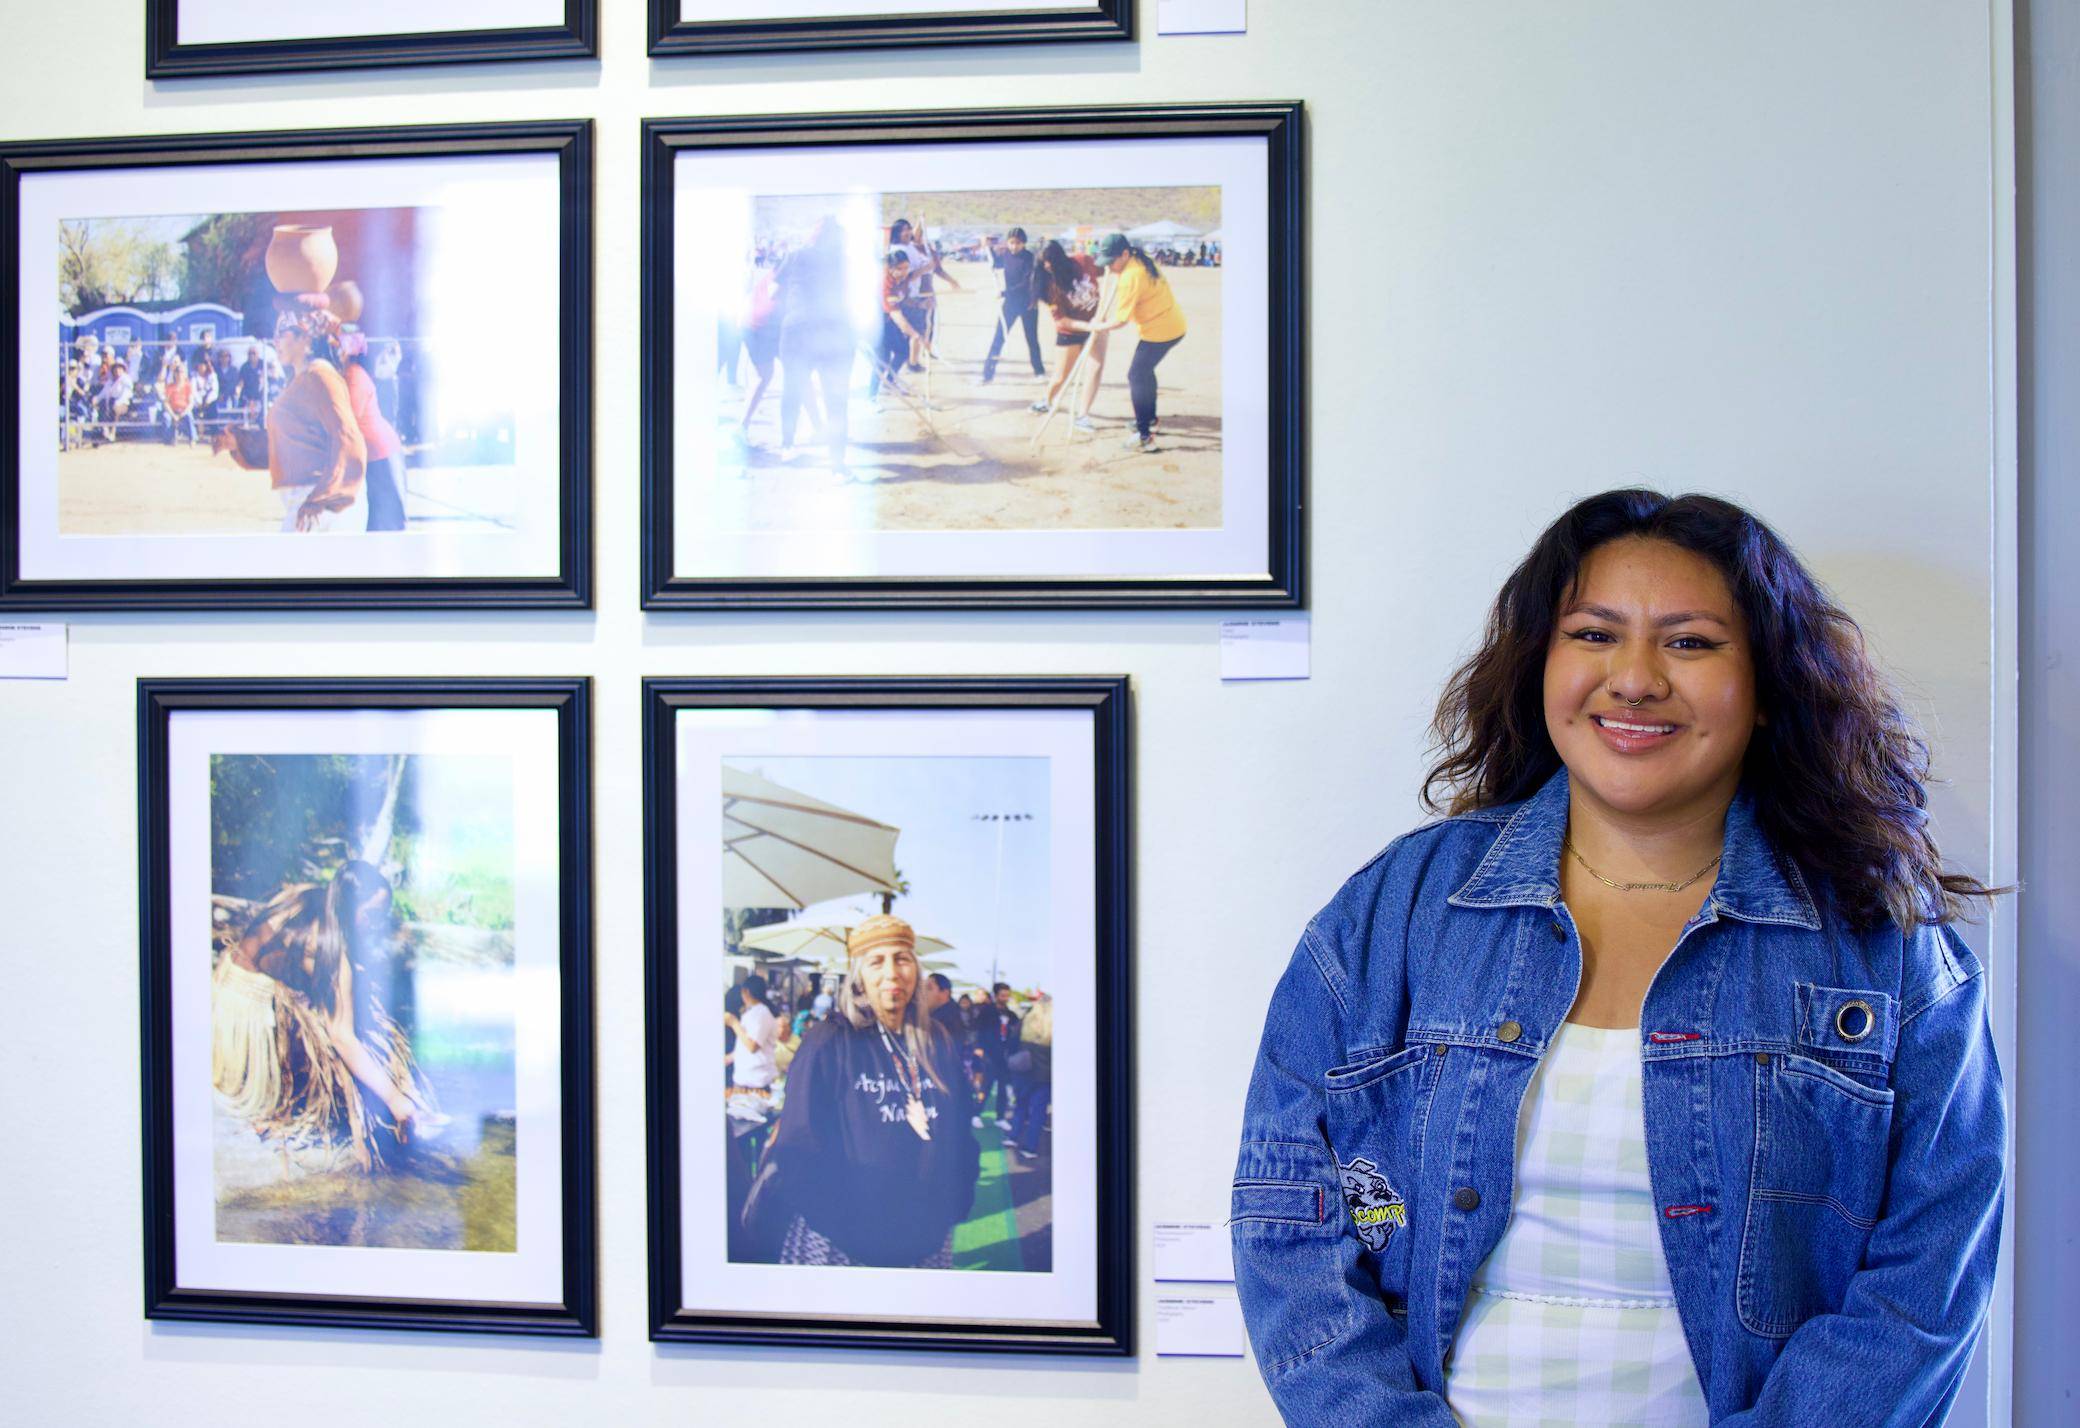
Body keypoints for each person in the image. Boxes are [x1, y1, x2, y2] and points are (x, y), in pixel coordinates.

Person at [1230, 490, 2007, 1427]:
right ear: (1541, 664)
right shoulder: (1397, 910)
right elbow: (1287, 1218)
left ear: (1769, 687)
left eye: (1690, 643)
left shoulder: (1882, 942)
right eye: (1594, 635)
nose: (1634, 679)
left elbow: (1929, 1271)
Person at [752, 915, 980, 1267]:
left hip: (925, 1241)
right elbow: (798, 1143)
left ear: (916, 970)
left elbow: (962, 1130)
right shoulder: (829, 1040)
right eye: (877, 961)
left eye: (902, 958)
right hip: (841, 1245)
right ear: (859, 975)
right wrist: (839, 1222)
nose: (892, 972)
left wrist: (954, 1203)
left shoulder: (937, 1041)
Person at [212, 860, 447, 1172]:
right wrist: (395, 1099)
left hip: (224, 982)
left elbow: (278, 945)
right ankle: (274, 1108)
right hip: (245, 1017)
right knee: (323, 1028)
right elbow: (342, 1037)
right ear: (350, 905)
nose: (379, 923)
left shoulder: (307, 895)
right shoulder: (329, 952)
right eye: (373, 914)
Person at [1055, 233, 1186, 454]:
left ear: (1125, 254)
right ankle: (1150, 420)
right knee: (1145, 372)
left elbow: (1120, 321)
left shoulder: (1131, 276)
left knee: (1136, 375)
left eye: (1112, 262)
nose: (1110, 267)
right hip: (1171, 324)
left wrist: (1097, 326)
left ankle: (1145, 436)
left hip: (1160, 331)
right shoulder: (1138, 259)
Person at [259, 310, 367, 533]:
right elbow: (290, 442)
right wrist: (239, 441)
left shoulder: (321, 375)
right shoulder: (302, 379)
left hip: (323, 506)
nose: (275, 340)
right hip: (310, 502)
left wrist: (323, 497)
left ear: (305, 338)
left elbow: (349, 438)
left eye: (283, 333)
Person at [774, 216, 855, 477]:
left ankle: (787, 447)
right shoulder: (844, 261)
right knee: (836, 400)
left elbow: (774, 292)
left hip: (796, 331)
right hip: (833, 333)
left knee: (792, 390)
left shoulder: (795, 256)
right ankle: (837, 467)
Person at [1031, 238, 1108, 431]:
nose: (1048, 265)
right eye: (1043, 262)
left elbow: (1106, 269)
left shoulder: (1083, 261)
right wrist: (1088, 326)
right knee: (1060, 377)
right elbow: (1062, 321)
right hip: (1071, 331)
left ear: (1061, 258)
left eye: (1050, 260)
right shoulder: (1049, 285)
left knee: (1096, 368)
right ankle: (1046, 400)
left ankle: (1082, 415)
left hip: (1097, 322)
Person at [341, 333, 408, 531]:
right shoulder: (348, 374)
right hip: (373, 457)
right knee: (374, 525)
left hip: (382, 457)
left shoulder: (354, 375)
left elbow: (348, 421)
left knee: (387, 525)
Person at [979, 227, 1045, 384]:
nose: (1014, 246)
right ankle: (987, 374)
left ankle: (1039, 372)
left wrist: (1003, 293)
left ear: (1024, 243)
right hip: (1010, 304)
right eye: (1011, 243)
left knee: (1032, 339)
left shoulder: (1030, 259)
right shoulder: (1006, 254)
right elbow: (995, 263)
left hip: (1029, 303)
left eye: (1018, 243)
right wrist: (987, 247)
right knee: (999, 337)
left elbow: (1026, 283)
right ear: (1007, 242)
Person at [868, 249, 925, 400]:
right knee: (882, 360)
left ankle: (890, 382)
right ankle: (871, 396)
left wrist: (920, 304)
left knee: (903, 351)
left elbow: (902, 299)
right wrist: (913, 334)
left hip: (888, 322)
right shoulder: (885, 285)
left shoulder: (901, 279)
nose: (904, 272)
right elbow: (896, 314)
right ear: (891, 268)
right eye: (900, 269)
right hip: (875, 324)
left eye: (906, 268)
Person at [1009, 995, 1052, 1161]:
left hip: (1025, 1071)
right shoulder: (1054, 1027)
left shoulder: (1026, 1022)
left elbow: (1012, 1043)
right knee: (1038, 1112)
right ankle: (1030, 1147)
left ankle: (1013, 1136)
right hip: (1045, 1076)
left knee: (1021, 1105)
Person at [974, 981, 1022, 1132]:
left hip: (1004, 1055)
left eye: (1007, 995)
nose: (1005, 998)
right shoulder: (987, 1011)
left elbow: (1015, 1030)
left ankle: (1000, 1118)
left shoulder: (1010, 1014)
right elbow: (978, 1030)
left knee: (1003, 1087)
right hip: (989, 1053)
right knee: (986, 1085)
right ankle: (975, 1114)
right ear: (996, 996)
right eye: (1002, 995)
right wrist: (979, 1047)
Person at [724, 974, 780, 1097]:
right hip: (744, 1080)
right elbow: (745, 1044)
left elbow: (753, 1046)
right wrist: (729, 1058)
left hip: (756, 1082)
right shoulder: (751, 1013)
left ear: (746, 991)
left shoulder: (761, 1013)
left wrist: (734, 1023)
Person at [157, 356, 196, 445]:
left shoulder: (188, 386)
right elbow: (166, 403)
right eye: (177, 372)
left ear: (185, 374)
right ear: (175, 374)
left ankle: (192, 439)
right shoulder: (170, 387)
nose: (179, 375)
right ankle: (168, 440)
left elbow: (191, 403)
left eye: (182, 372)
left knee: (189, 416)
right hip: (172, 410)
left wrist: (184, 413)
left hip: (184, 410)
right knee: (166, 417)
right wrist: (173, 415)